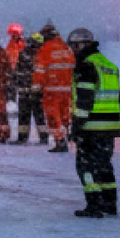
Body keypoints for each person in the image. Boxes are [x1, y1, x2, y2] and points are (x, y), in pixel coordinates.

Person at [66, 28, 120, 217]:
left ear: (81, 45)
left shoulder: (86, 66)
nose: (73, 50)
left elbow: (85, 100)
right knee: (104, 165)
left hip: (91, 126)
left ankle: (94, 205)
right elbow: (117, 99)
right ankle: (109, 203)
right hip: (110, 126)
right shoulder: (109, 65)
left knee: (85, 166)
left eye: (74, 46)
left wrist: (77, 126)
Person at [34, 24, 76, 153]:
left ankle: (60, 141)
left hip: (52, 90)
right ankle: (69, 135)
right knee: (66, 115)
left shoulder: (45, 49)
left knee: (53, 116)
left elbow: (39, 70)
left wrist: (36, 87)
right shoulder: (66, 49)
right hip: (67, 89)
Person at [12, 31, 49, 144]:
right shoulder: (31, 54)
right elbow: (18, 70)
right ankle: (23, 137)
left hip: (34, 91)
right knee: (27, 116)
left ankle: (42, 137)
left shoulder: (40, 55)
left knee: (37, 116)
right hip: (30, 91)